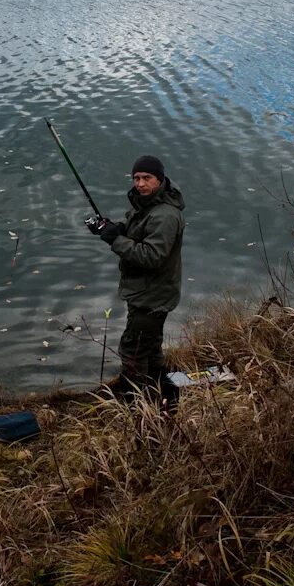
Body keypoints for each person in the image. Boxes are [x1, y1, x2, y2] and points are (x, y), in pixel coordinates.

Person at [86, 155, 185, 408]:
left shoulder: (165, 215)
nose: (140, 184)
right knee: (150, 346)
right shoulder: (147, 207)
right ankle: (165, 393)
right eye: (137, 178)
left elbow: (152, 256)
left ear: (160, 180)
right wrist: (113, 229)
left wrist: (115, 241)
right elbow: (139, 234)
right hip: (148, 291)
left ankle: (136, 405)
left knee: (133, 351)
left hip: (152, 295)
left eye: (147, 178)